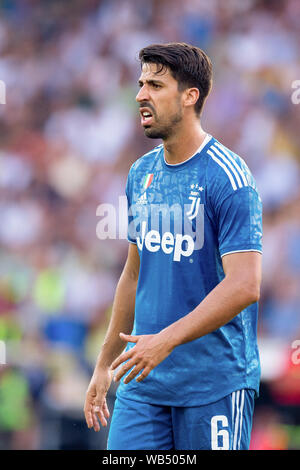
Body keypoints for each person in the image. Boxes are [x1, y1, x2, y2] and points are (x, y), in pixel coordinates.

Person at [84, 42, 263, 450]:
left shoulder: (229, 177)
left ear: (189, 96)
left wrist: (164, 340)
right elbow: (133, 275)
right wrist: (104, 366)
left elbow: (244, 285)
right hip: (142, 385)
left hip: (214, 386)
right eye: (141, 83)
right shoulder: (140, 173)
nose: (140, 94)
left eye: (155, 85)